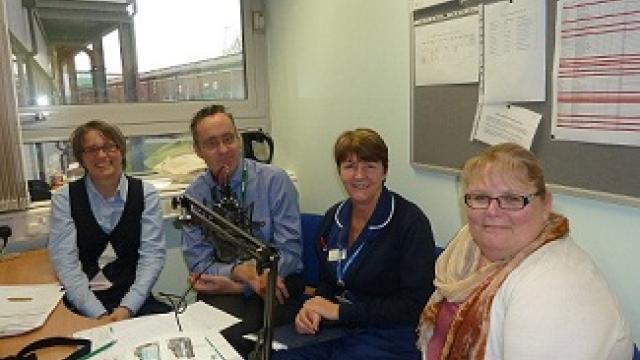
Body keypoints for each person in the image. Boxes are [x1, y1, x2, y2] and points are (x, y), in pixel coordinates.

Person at [418, 143, 633, 359]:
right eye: (481, 197)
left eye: (512, 199)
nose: (492, 211)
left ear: (545, 203)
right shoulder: (467, 245)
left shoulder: (556, 288)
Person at [274, 128, 436, 360]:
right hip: (338, 326)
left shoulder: (410, 222)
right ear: (340, 172)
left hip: (387, 334)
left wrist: (340, 311)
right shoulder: (333, 218)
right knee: (278, 354)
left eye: (369, 165)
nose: (359, 175)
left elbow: (413, 306)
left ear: (384, 170)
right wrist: (311, 312)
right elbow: (329, 283)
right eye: (350, 166)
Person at [182, 104, 304, 357]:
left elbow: (290, 252)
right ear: (198, 150)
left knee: (237, 337)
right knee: (206, 340)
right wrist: (239, 272)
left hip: (275, 284)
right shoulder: (194, 196)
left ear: (238, 138)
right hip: (224, 288)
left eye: (229, 139)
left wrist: (243, 285)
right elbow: (198, 263)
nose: (224, 150)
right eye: (212, 143)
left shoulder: (274, 181)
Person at [48, 120, 169, 321]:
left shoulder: (146, 195)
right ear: (82, 158)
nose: (102, 155)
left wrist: (127, 308)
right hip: (83, 306)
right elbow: (66, 266)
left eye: (109, 147)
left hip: (135, 302)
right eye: (92, 149)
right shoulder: (64, 199)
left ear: (121, 151)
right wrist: (98, 313)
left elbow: (152, 257)